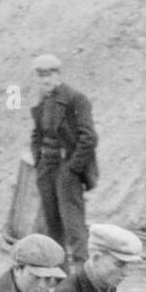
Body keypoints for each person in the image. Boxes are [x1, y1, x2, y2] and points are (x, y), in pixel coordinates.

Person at [29, 54, 99, 269]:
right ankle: (59, 275)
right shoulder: (44, 102)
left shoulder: (75, 99)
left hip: (65, 168)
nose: (45, 81)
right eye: (41, 76)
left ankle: (81, 275)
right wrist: (38, 160)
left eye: (49, 75)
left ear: (58, 74)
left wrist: (72, 169)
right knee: (52, 225)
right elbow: (37, 134)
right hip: (47, 168)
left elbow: (89, 138)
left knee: (73, 225)